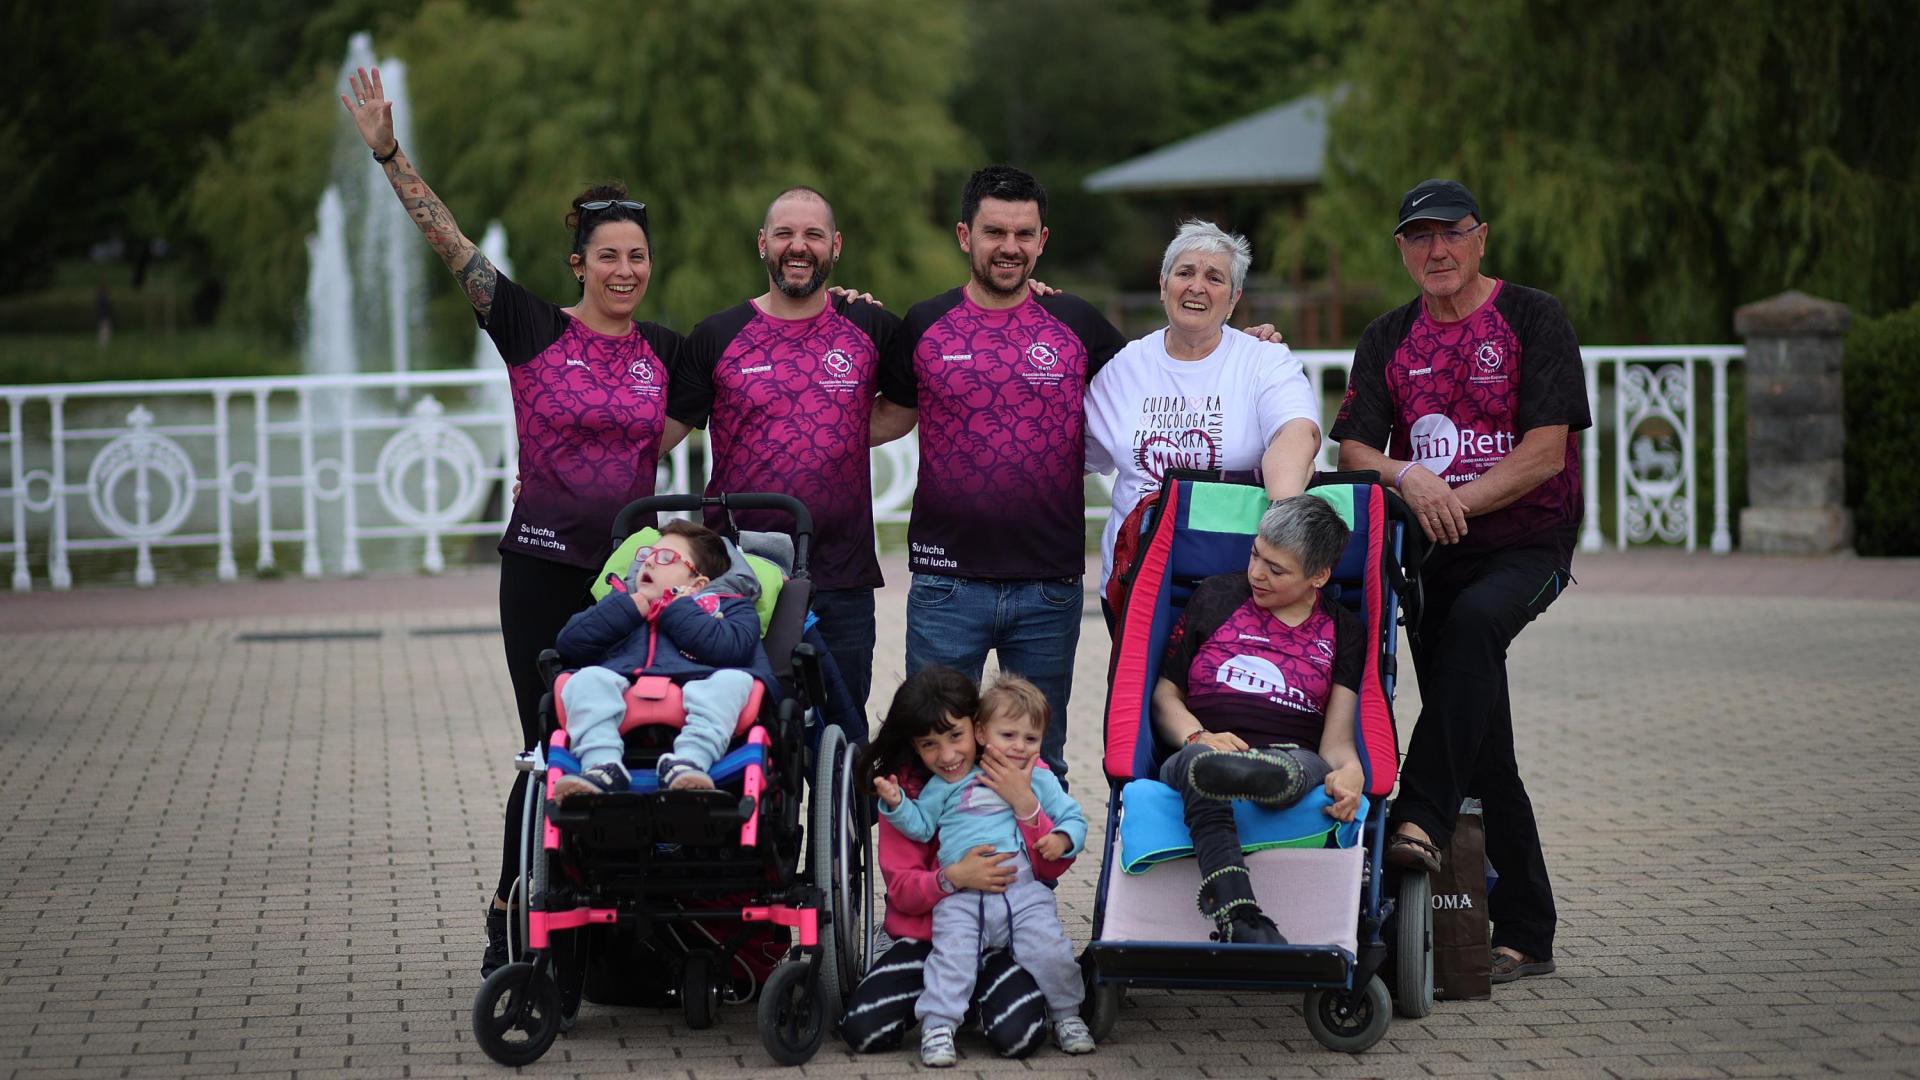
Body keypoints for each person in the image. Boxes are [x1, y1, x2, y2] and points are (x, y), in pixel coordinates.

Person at [342, 68, 694, 977]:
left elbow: (752, 367)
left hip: (626, 584)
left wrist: (845, 309)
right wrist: (389, 154)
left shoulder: (665, 351)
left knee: (630, 741)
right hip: (540, 570)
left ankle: (613, 924)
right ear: (579, 263)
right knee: (552, 745)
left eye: (638, 256)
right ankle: (513, 913)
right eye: (608, 256)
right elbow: (449, 241)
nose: (626, 270)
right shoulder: (532, 326)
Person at [1331, 178, 1590, 985]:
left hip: (1529, 545)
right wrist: (1412, 477)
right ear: (1402, 250)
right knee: (1480, 736)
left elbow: (1546, 452)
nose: (1436, 250)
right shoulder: (1387, 337)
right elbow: (1353, 449)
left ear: (1482, 237)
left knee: (1477, 625)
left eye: (1451, 233)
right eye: (1420, 237)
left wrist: (1457, 501)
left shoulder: (1533, 317)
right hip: (1431, 556)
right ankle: (1526, 933)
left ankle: (1418, 816)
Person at [872, 165, 1128, 785]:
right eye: (994, 232)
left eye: (1023, 234)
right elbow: (883, 419)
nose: (1009, 247)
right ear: (965, 235)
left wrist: (1245, 346)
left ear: (1043, 240)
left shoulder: (1076, 321)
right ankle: (936, 856)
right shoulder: (924, 322)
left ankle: (1036, 857)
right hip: (945, 585)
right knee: (932, 762)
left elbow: (1165, 379)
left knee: (1038, 765)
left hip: (1048, 587)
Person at [667, 187, 901, 716]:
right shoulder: (717, 335)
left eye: (814, 234)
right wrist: (548, 472)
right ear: (762, 244)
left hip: (841, 575)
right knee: (745, 724)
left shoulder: (871, 326)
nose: (799, 246)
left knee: (842, 729)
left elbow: (914, 401)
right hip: (737, 572)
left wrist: (842, 428)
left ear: (835, 246)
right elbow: (661, 433)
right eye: (785, 234)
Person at [1150, 495, 1368, 941]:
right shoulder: (1217, 596)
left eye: (1276, 569)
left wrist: (1351, 771)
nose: (1257, 573)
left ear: (1319, 576)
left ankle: (1239, 912)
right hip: (1202, 744)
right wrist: (1197, 735)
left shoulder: (1343, 630)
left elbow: (1336, 741)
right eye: (1255, 555)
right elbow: (1164, 697)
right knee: (1200, 766)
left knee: (1299, 764)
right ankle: (1241, 909)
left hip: (1296, 753)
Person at [1085, 219, 1323, 618]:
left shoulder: (1263, 359)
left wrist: (1282, 522)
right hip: (1136, 584)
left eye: (1214, 278)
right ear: (1163, 286)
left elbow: (1296, 432)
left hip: (1238, 585)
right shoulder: (1124, 367)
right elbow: (1069, 453)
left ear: (1233, 299)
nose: (1197, 286)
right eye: (1185, 273)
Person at [839, 667, 1074, 1060]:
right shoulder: (905, 793)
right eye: (929, 744)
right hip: (929, 938)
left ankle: (986, 998)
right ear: (914, 745)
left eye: (955, 736)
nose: (947, 756)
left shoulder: (1015, 772)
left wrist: (1025, 805)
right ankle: (947, 1004)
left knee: (1019, 1038)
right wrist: (952, 877)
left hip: (1001, 936)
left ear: (977, 728)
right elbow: (903, 892)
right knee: (863, 1031)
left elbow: (1052, 867)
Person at [547, 521, 778, 794]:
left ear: (698, 582)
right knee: (584, 679)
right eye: (647, 555)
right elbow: (570, 643)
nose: (649, 563)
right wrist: (628, 608)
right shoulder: (623, 602)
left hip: (699, 687)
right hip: (622, 689)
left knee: (732, 682)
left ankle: (690, 762)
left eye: (666, 557)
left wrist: (678, 609)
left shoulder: (732, 606)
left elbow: (731, 649)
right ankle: (602, 764)